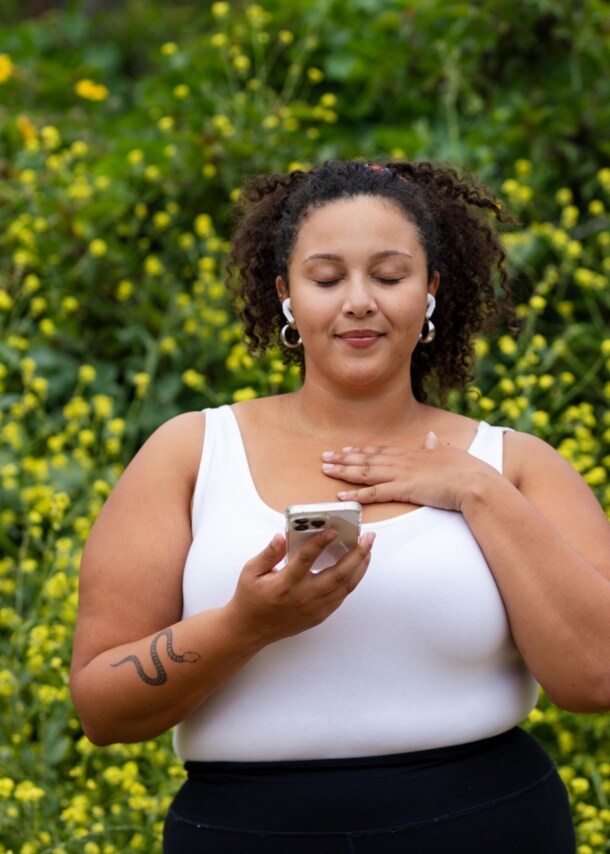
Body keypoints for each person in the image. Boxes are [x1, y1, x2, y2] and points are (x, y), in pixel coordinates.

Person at [70, 159, 610, 853]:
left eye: (389, 276)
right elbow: (101, 709)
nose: (359, 301)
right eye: (326, 279)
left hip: (485, 824)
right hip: (243, 832)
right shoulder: (191, 452)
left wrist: (475, 489)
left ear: (431, 292)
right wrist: (245, 625)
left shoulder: (518, 465)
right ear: (287, 297)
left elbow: (595, 677)